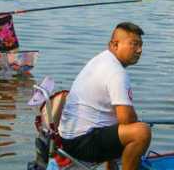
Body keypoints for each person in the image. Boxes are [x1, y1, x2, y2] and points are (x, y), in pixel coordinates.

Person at [59, 22, 151, 170]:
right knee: (141, 132)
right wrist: (138, 122)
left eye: (141, 45)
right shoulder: (116, 73)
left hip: (69, 139)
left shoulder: (102, 59)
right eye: (134, 44)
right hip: (81, 143)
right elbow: (126, 119)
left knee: (119, 125)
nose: (139, 50)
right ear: (114, 45)